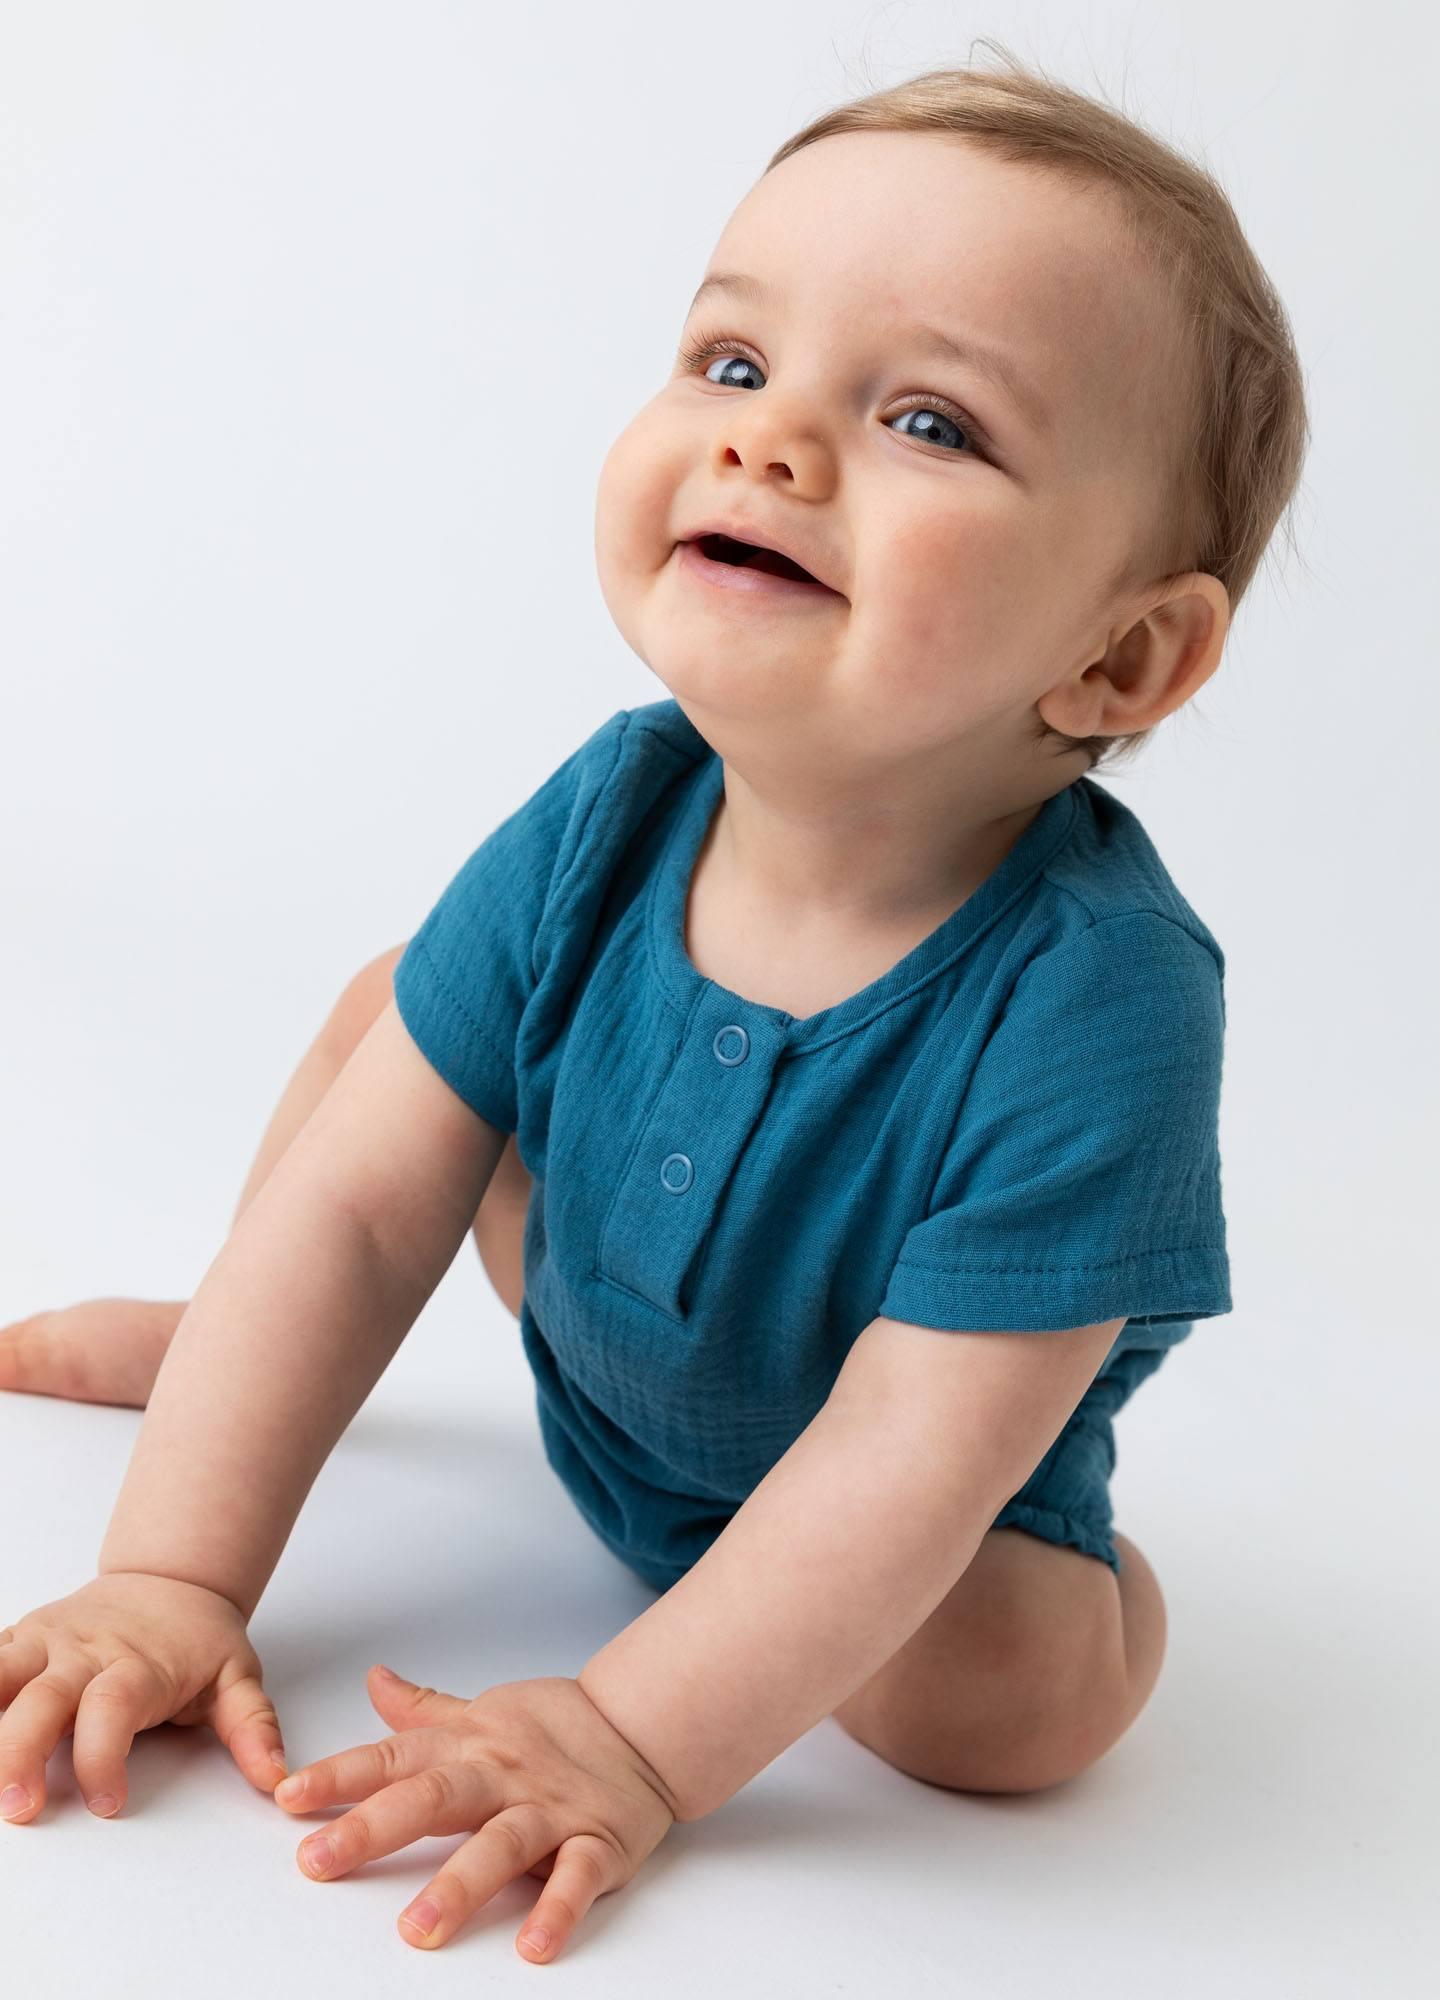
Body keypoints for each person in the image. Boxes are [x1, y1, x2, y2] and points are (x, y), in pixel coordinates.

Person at [0, 46, 1308, 1963]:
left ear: (1122, 653)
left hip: (902, 1493)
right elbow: (378, 1203)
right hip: (601, 1325)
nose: (770, 445)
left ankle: (1063, 1609)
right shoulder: (612, 808)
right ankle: (243, 1335)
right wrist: (171, 1577)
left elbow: (903, 1458)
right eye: (732, 362)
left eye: (932, 422)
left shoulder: (1095, 999)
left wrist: (627, 1735)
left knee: (1011, 1718)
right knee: (398, 1046)